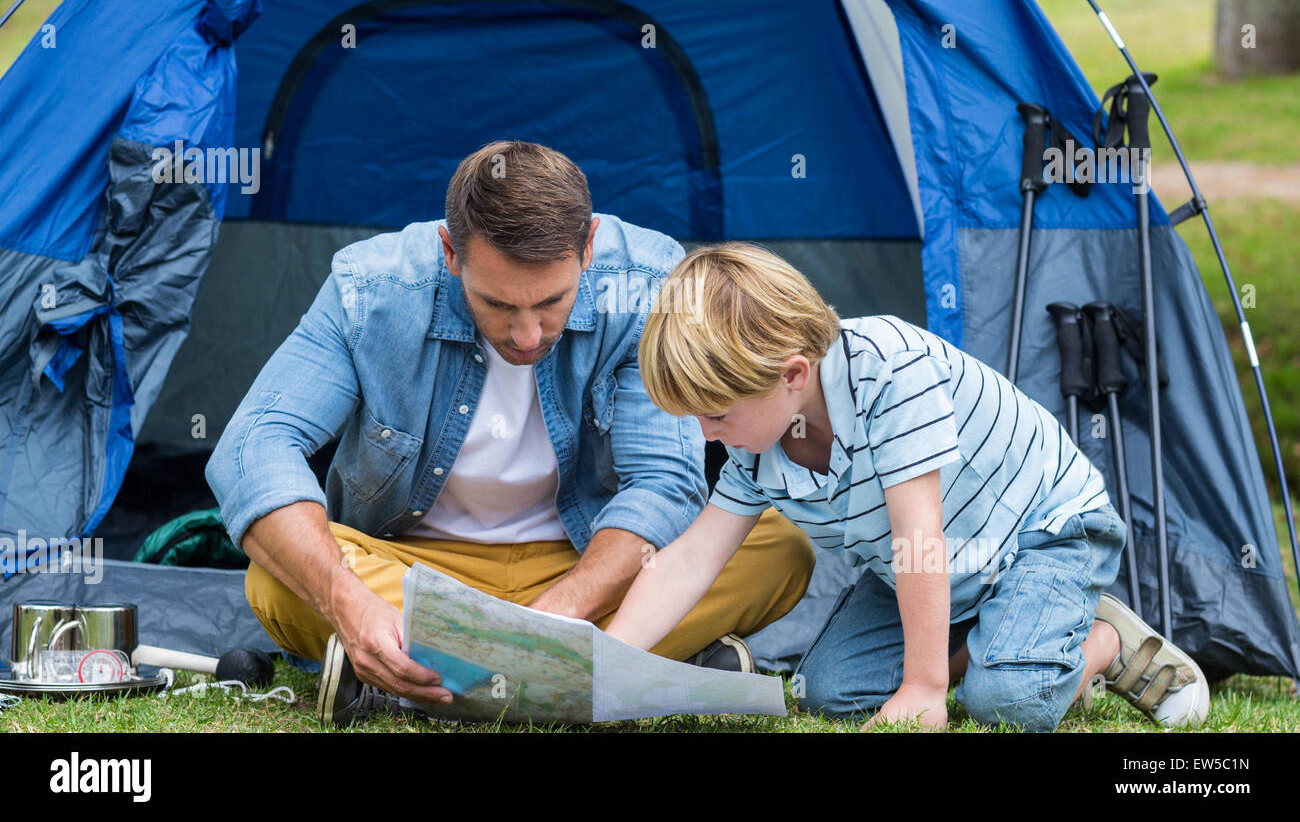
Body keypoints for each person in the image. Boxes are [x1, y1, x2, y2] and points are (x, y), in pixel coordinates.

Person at [205, 144, 814, 725]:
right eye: (497, 305)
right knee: (278, 572)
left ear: (589, 247)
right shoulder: (370, 289)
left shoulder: (648, 282)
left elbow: (663, 482)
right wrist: (347, 601)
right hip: (416, 570)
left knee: (779, 550)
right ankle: (624, 672)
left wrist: (565, 607)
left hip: (584, 565)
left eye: (551, 302)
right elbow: (251, 449)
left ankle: (424, 678)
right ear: (451, 252)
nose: (527, 336)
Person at [607, 241, 1210, 731]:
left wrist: (924, 687)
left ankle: (1102, 640)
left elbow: (918, 538)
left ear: (792, 374)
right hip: (938, 570)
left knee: (1005, 705)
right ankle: (1004, 635)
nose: (710, 437)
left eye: (716, 416)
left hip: (1042, 536)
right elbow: (690, 560)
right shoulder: (757, 443)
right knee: (827, 691)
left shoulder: (891, 369)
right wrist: (602, 665)